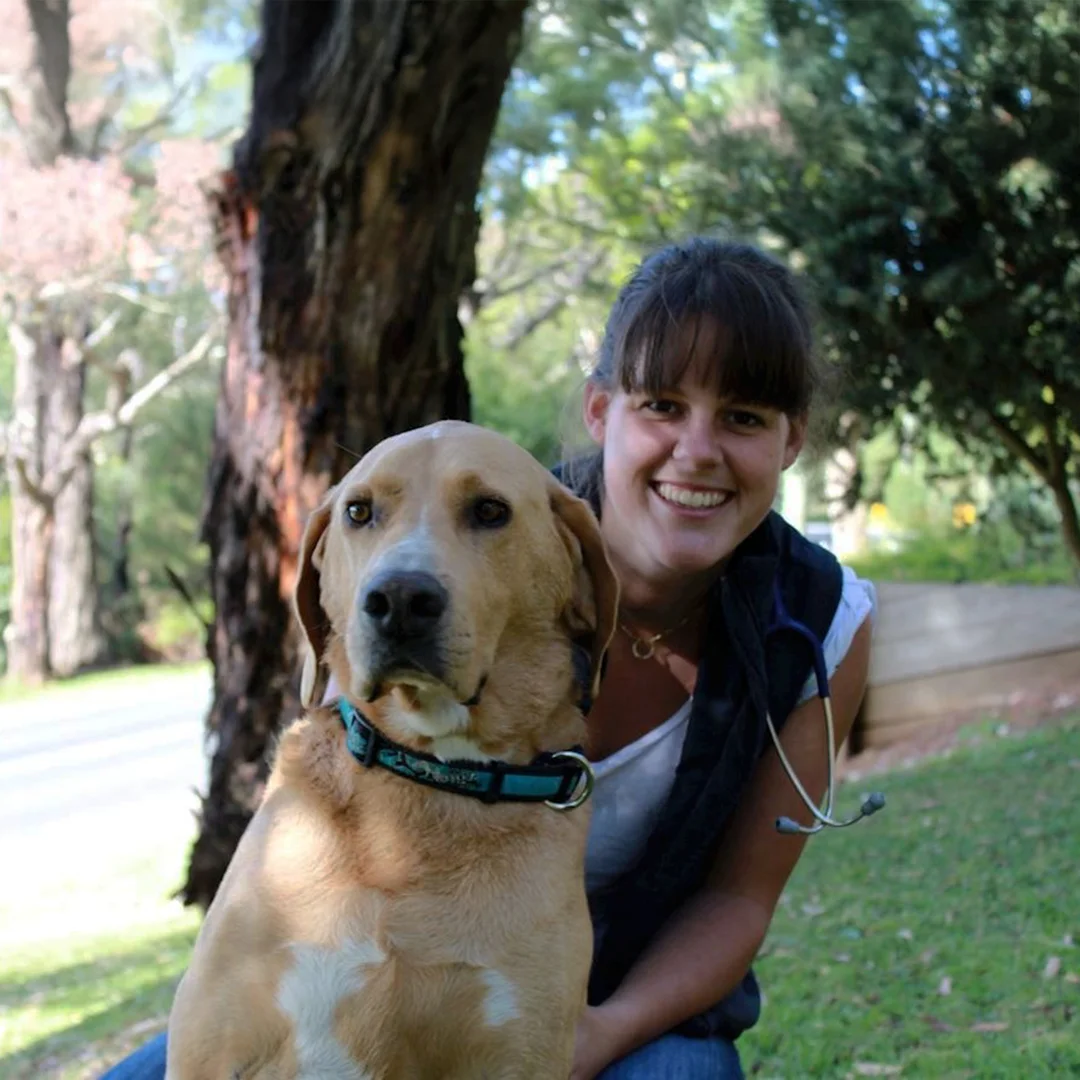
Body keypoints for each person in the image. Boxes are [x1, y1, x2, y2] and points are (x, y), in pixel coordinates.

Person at [99, 237, 875, 1080]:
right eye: (661, 405)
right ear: (601, 412)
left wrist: (596, 1031)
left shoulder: (817, 617)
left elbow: (737, 899)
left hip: (620, 995)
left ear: (792, 440)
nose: (697, 449)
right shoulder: (505, 513)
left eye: (744, 418)